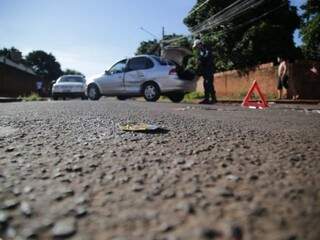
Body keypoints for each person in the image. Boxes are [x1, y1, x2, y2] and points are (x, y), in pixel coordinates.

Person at [193, 39, 217, 104]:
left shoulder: (207, 49)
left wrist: (200, 59)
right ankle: (210, 99)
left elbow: (207, 56)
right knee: (207, 84)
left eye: (196, 46)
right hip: (205, 70)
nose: (196, 48)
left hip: (209, 69)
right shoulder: (201, 51)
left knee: (208, 83)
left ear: (199, 44)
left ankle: (211, 99)